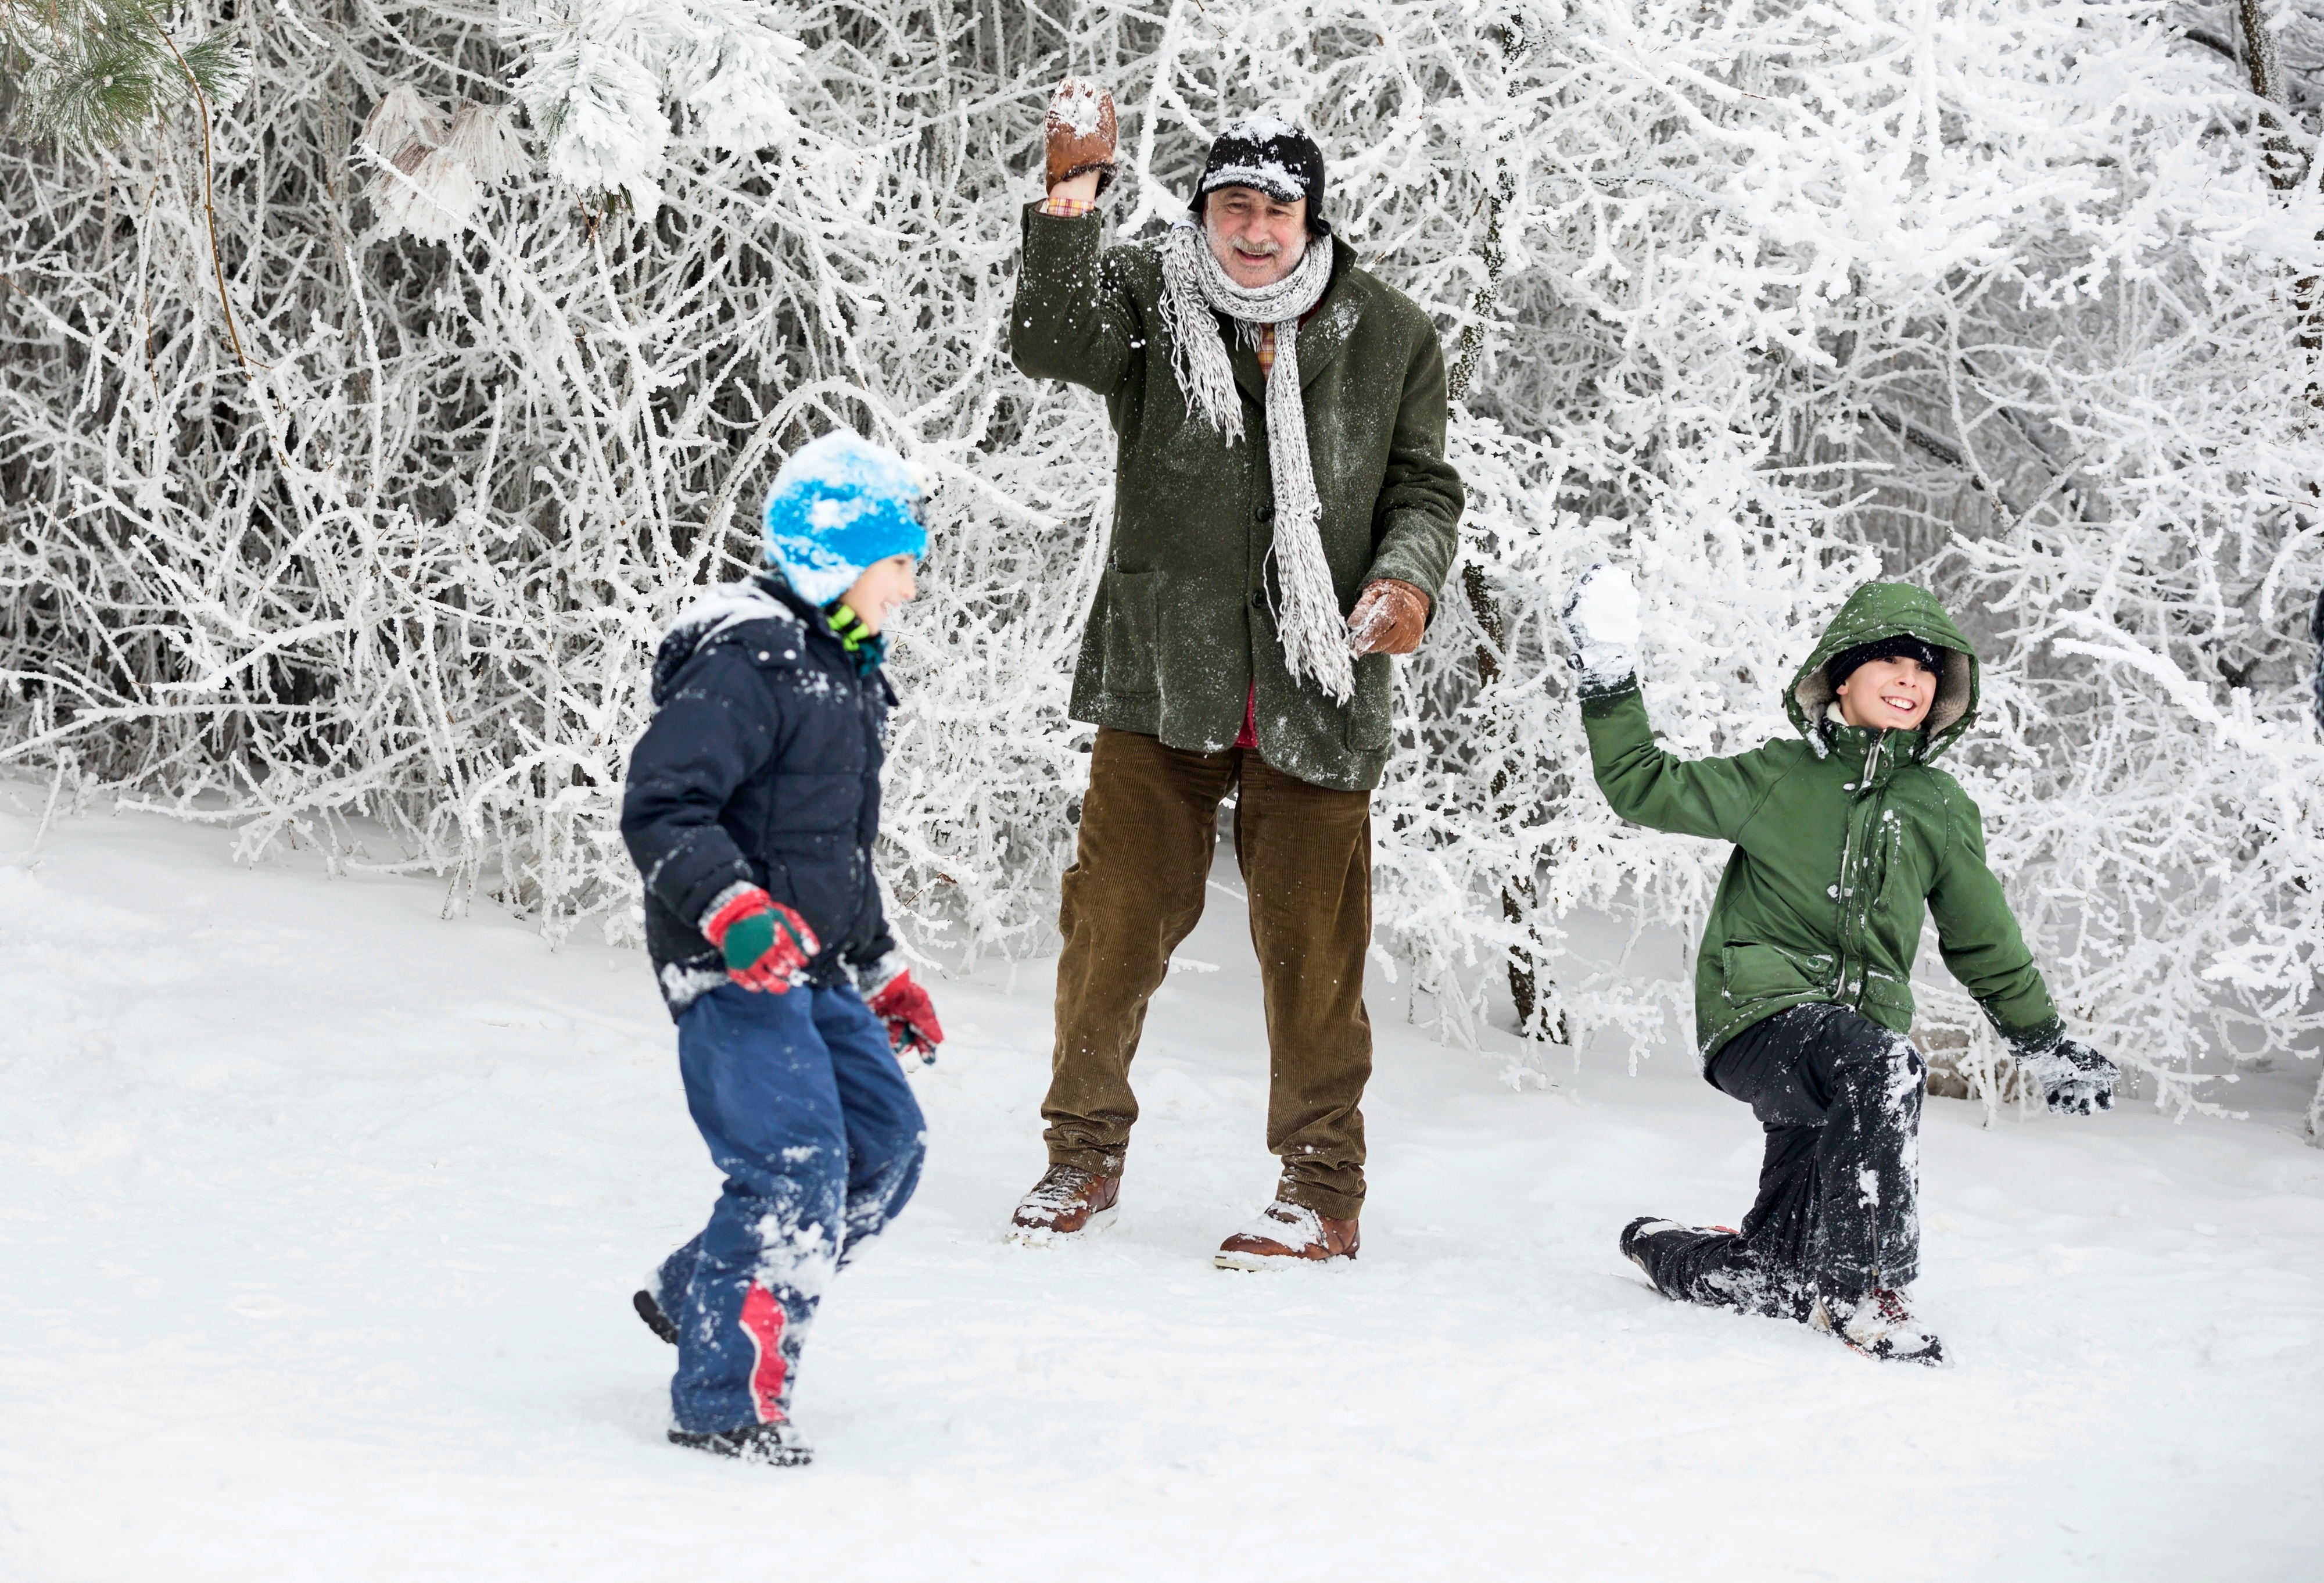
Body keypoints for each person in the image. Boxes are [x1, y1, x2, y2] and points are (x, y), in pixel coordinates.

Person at [1005, 83, 1464, 1266]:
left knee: (1315, 955)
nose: (1252, 230)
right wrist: (1069, 201)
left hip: (1319, 684)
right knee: (1111, 926)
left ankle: (1321, 1188)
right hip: (1164, 673)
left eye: (1275, 208)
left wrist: (1406, 583)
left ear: (1310, 218)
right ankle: (1079, 1157)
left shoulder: (1389, 332)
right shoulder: (1151, 305)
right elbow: (1047, 340)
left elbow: (1422, 487)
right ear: (1202, 213)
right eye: (1231, 207)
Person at [1561, 567, 2118, 1363]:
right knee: (1883, 1065)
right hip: (1760, 1019)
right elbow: (1643, 786)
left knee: (1778, 1276)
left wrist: (2043, 1040)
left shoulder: (1939, 807)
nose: (1910, 679)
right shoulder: (1781, 776)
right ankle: (1869, 1292)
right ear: (1842, 676)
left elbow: (1983, 938)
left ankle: (1663, 1247)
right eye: (1891, 660)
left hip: (1847, 1062)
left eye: (1927, 668)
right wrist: (1609, 673)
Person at [621, 431, 946, 1463]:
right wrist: (732, 909)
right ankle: (726, 1403)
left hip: (819, 963)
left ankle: (703, 1289)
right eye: (899, 565)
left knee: (886, 1148)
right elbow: (666, 805)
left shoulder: (843, 677)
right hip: (729, 966)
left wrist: (882, 966)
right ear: (838, 559)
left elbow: (828, 852)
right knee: (797, 1165)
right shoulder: (750, 659)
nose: (907, 589)